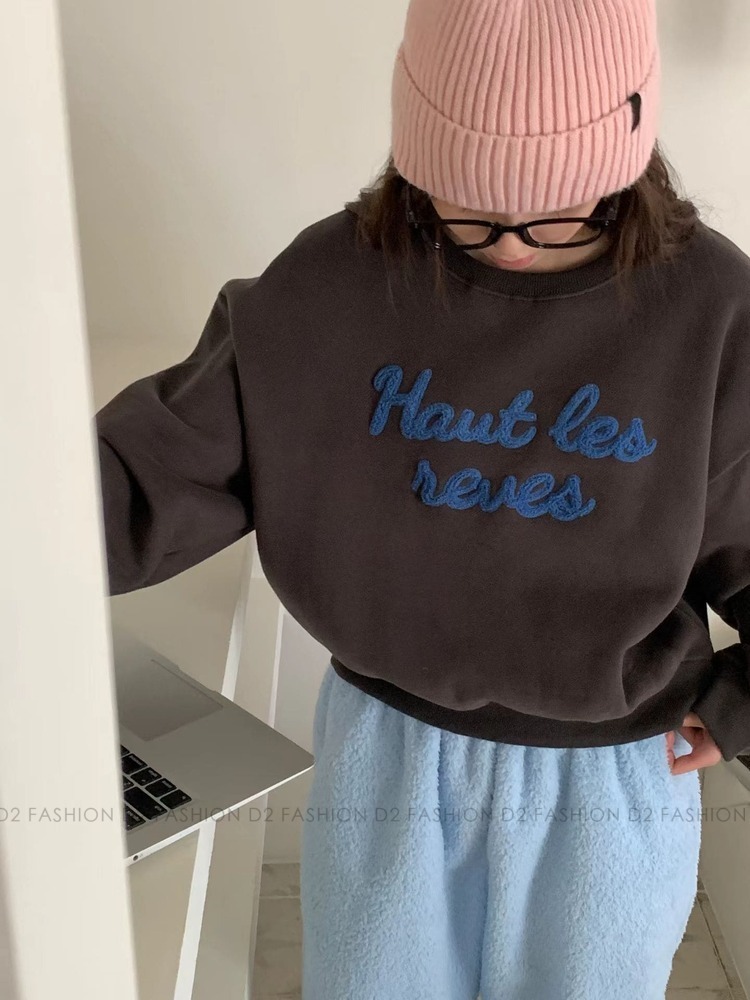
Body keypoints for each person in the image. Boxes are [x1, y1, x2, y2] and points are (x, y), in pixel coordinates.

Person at [93, 0, 750, 997]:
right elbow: (155, 470)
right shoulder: (329, 288)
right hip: (387, 754)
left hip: (612, 781)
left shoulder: (715, 313)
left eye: (560, 213)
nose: (513, 247)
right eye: (471, 211)